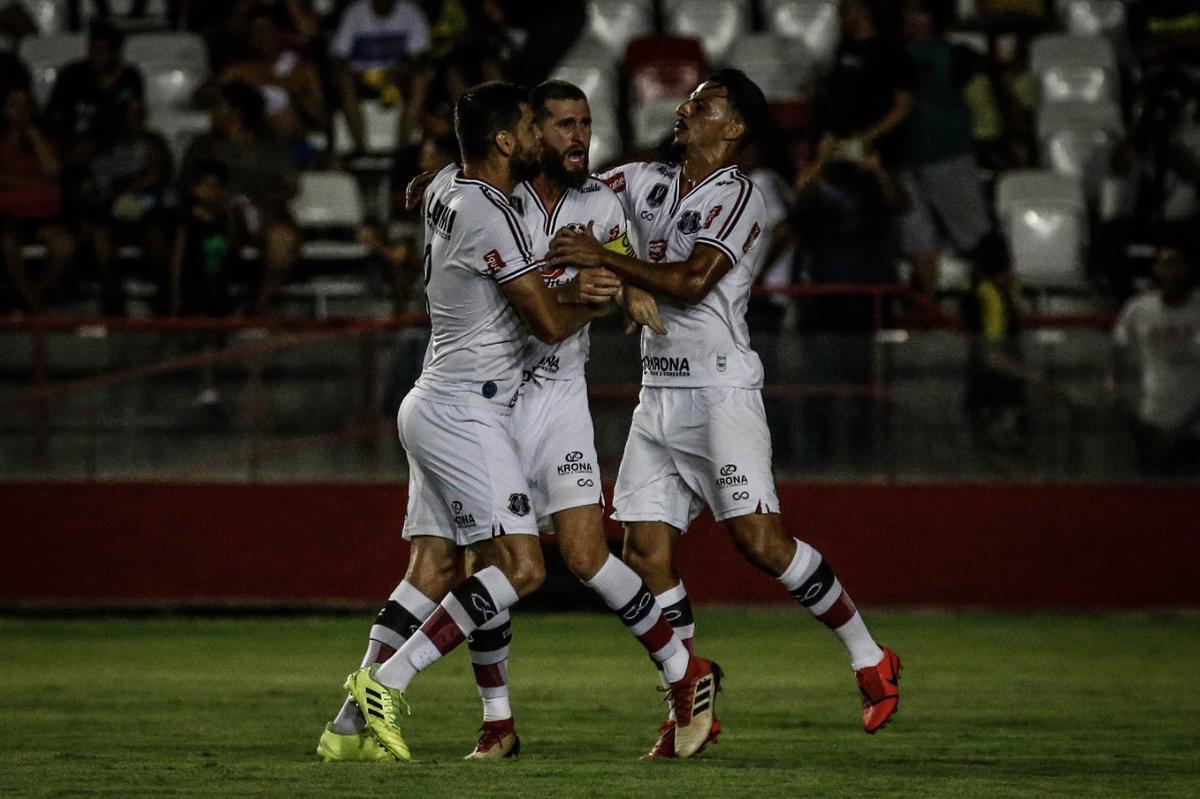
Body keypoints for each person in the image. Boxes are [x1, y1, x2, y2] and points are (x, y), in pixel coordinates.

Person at [548, 69, 903, 758]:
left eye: (703, 104)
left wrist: (607, 261)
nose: (684, 108)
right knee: (644, 552)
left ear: (733, 127)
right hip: (659, 391)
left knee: (762, 544)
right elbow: (571, 198)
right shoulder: (641, 179)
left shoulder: (741, 197)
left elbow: (689, 280)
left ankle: (870, 656)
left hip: (720, 392)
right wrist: (457, 179)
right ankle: (688, 705)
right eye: (688, 101)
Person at [325, 82, 681, 764]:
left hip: (437, 397)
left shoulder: (448, 190)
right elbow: (545, 323)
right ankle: (385, 684)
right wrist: (596, 299)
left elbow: (435, 181)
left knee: (434, 565)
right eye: (538, 123)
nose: (565, 136)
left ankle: (348, 721)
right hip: (470, 406)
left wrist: (609, 275)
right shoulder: (492, 212)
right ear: (511, 141)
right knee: (520, 568)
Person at [457, 78, 713, 760]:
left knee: (585, 553)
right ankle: (498, 720)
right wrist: (585, 289)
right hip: (492, 401)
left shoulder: (600, 202)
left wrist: (626, 288)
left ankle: (685, 677)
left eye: (585, 123)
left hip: (560, 399)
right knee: (485, 561)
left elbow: (626, 266)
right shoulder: (494, 200)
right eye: (563, 124)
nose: (578, 136)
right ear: (529, 132)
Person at [178, 81, 301, 314]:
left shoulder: (270, 147)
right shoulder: (203, 147)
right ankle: (208, 307)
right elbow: (187, 185)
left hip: (263, 215)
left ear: (237, 111)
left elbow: (289, 185)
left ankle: (259, 309)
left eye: (218, 106)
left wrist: (262, 202)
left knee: (283, 242)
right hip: (217, 217)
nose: (212, 113)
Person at [899, 0, 993, 294]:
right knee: (918, 239)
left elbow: (986, 101)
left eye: (919, 10)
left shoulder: (959, 55)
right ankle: (929, 308)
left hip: (949, 157)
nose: (909, 16)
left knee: (976, 237)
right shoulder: (892, 54)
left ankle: (999, 302)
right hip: (904, 161)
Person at [1112, 238, 1200, 475]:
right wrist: (1127, 409)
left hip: (1194, 425)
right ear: (1156, 269)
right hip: (1153, 421)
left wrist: (1186, 424)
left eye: (1177, 263)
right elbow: (1118, 357)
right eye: (1165, 263)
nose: (1172, 270)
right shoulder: (1138, 309)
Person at [81, 97, 173, 315]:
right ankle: (111, 294)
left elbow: (156, 176)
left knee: (155, 235)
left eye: (141, 114)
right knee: (100, 235)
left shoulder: (153, 143)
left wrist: (130, 188)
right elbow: (95, 184)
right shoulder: (103, 146)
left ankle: (164, 295)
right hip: (109, 212)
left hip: (145, 210)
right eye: (132, 114)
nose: (137, 119)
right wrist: (109, 193)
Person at [219, 5, 327, 166]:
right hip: (251, 149)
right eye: (255, 32)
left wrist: (294, 92)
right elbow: (216, 109)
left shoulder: (302, 70)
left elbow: (322, 120)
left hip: (294, 147)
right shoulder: (236, 72)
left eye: (267, 31)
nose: (262, 38)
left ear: (279, 33)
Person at [0, 86, 76, 313]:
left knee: (65, 247)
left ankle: (34, 293)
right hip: (8, 215)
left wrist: (34, 137)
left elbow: (52, 171)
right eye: (14, 104)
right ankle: (30, 302)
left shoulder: (44, 138)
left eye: (25, 105)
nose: (20, 110)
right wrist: (31, 182)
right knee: (8, 243)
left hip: (41, 214)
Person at [331, 0, 432, 152]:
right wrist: (357, 72)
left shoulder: (410, 11)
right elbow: (338, 56)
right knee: (344, 81)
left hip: (398, 77)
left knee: (420, 80)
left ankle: (403, 147)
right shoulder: (355, 11)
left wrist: (400, 71)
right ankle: (360, 148)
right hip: (362, 76)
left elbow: (420, 56)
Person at [961, 232, 1027, 451]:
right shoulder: (992, 295)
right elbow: (994, 346)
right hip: (998, 383)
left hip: (982, 376)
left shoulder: (974, 288)